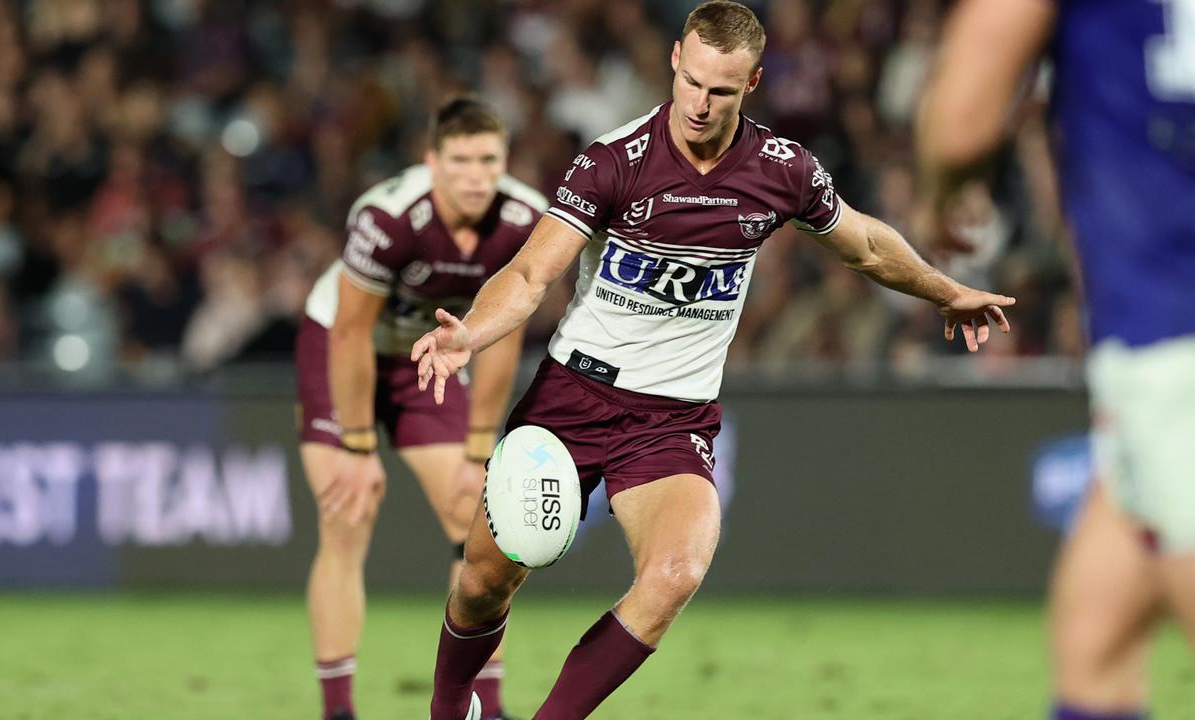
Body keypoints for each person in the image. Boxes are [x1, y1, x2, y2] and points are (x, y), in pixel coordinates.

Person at [412, 3, 1015, 718]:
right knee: (485, 580)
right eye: (692, 82)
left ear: (753, 82)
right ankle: (446, 710)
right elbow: (528, 275)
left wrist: (946, 292)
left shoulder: (781, 170)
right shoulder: (614, 161)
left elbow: (867, 245)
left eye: (720, 91)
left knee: (674, 574)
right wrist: (470, 335)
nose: (699, 104)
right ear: (675, 59)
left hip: (671, 418)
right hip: (572, 399)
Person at [917, 1, 1195, 718]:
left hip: (1175, 330)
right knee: (1094, 640)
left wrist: (941, 197)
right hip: (1158, 362)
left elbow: (960, 124)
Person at [295, 97, 544, 720]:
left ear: (504, 161)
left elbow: (502, 334)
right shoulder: (388, 215)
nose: (475, 175)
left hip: (421, 360)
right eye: (459, 160)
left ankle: (485, 707)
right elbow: (351, 331)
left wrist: (479, 447)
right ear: (432, 162)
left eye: (488, 159)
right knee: (348, 516)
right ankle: (339, 711)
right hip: (341, 347)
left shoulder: (524, 219)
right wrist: (357, 447)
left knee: (478, 521)